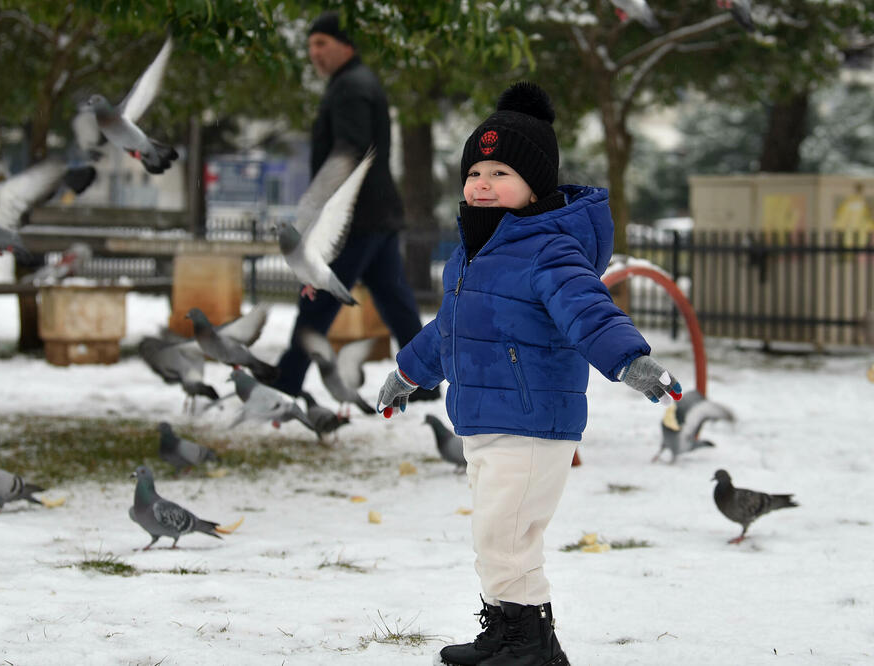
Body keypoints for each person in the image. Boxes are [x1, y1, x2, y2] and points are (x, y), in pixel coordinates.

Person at [376, 82, 683, 666]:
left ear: (534, 185)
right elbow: (450, 329)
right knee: (497, 536)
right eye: (476, 172)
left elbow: (588, 310)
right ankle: (512, 634)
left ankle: (527, 644)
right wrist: (407, 374)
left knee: (506, 535)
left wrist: (629, 360)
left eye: (501, 172)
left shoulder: (549, 249)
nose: (483, 184)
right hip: (487, 421)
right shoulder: (473, 254)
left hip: (532, 419)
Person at [270, 11, 437, 401]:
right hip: (375, 215)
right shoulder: (355, 82)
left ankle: (286, 379)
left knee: (318, 294)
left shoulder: (350, 87)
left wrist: (317, 205)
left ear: (345, 44)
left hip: (355, 221)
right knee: (396, 302)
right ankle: (425, 382)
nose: (313, 53)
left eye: (321, 43)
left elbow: (350, 150)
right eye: (310, 44)